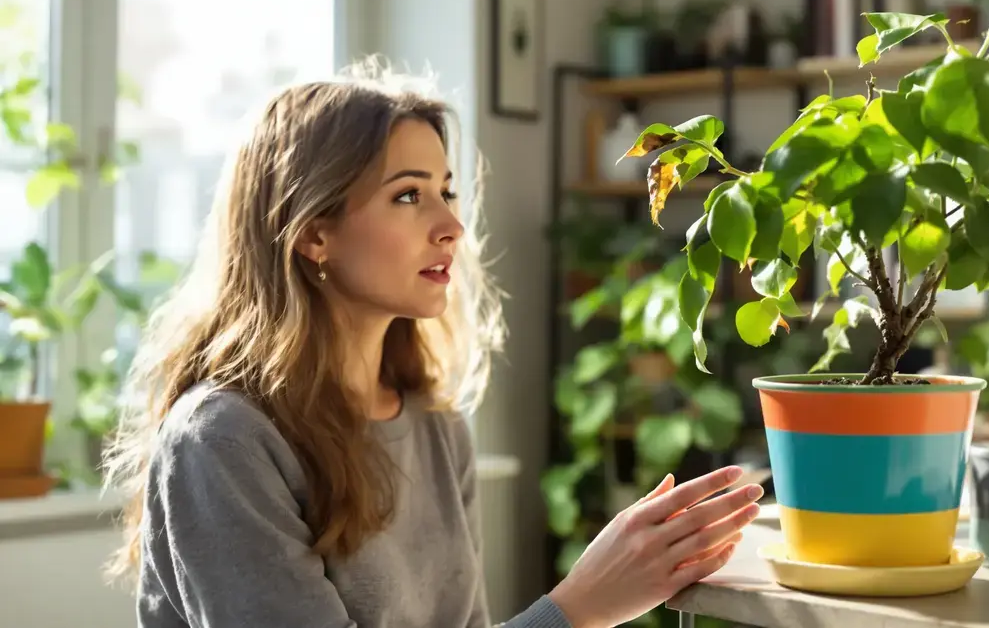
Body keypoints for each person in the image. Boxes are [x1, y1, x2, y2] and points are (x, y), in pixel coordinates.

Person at [102, 61, 765, 628]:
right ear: (312, 234)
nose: (450, 225)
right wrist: (577, 607)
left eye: (446, 192)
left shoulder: (435, 427)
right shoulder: (223, 441)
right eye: (408, 195)